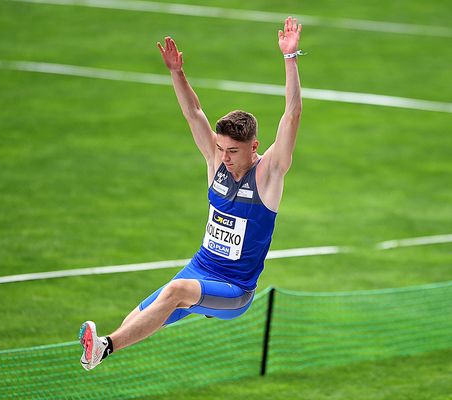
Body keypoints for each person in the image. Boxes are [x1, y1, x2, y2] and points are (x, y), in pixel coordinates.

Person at [79, 16, 303, 371]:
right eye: (221, 149)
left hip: (234, 289)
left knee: (173, 292)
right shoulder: (216, 162)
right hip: (201, 267)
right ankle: (103, 350)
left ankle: (103, 348)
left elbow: (291, 115)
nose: (224, 157)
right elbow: (194, 113)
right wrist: (176, 72)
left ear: (254, 146)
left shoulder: (269, 174)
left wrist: (290, 59)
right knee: (138, 314)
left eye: (232, 151)